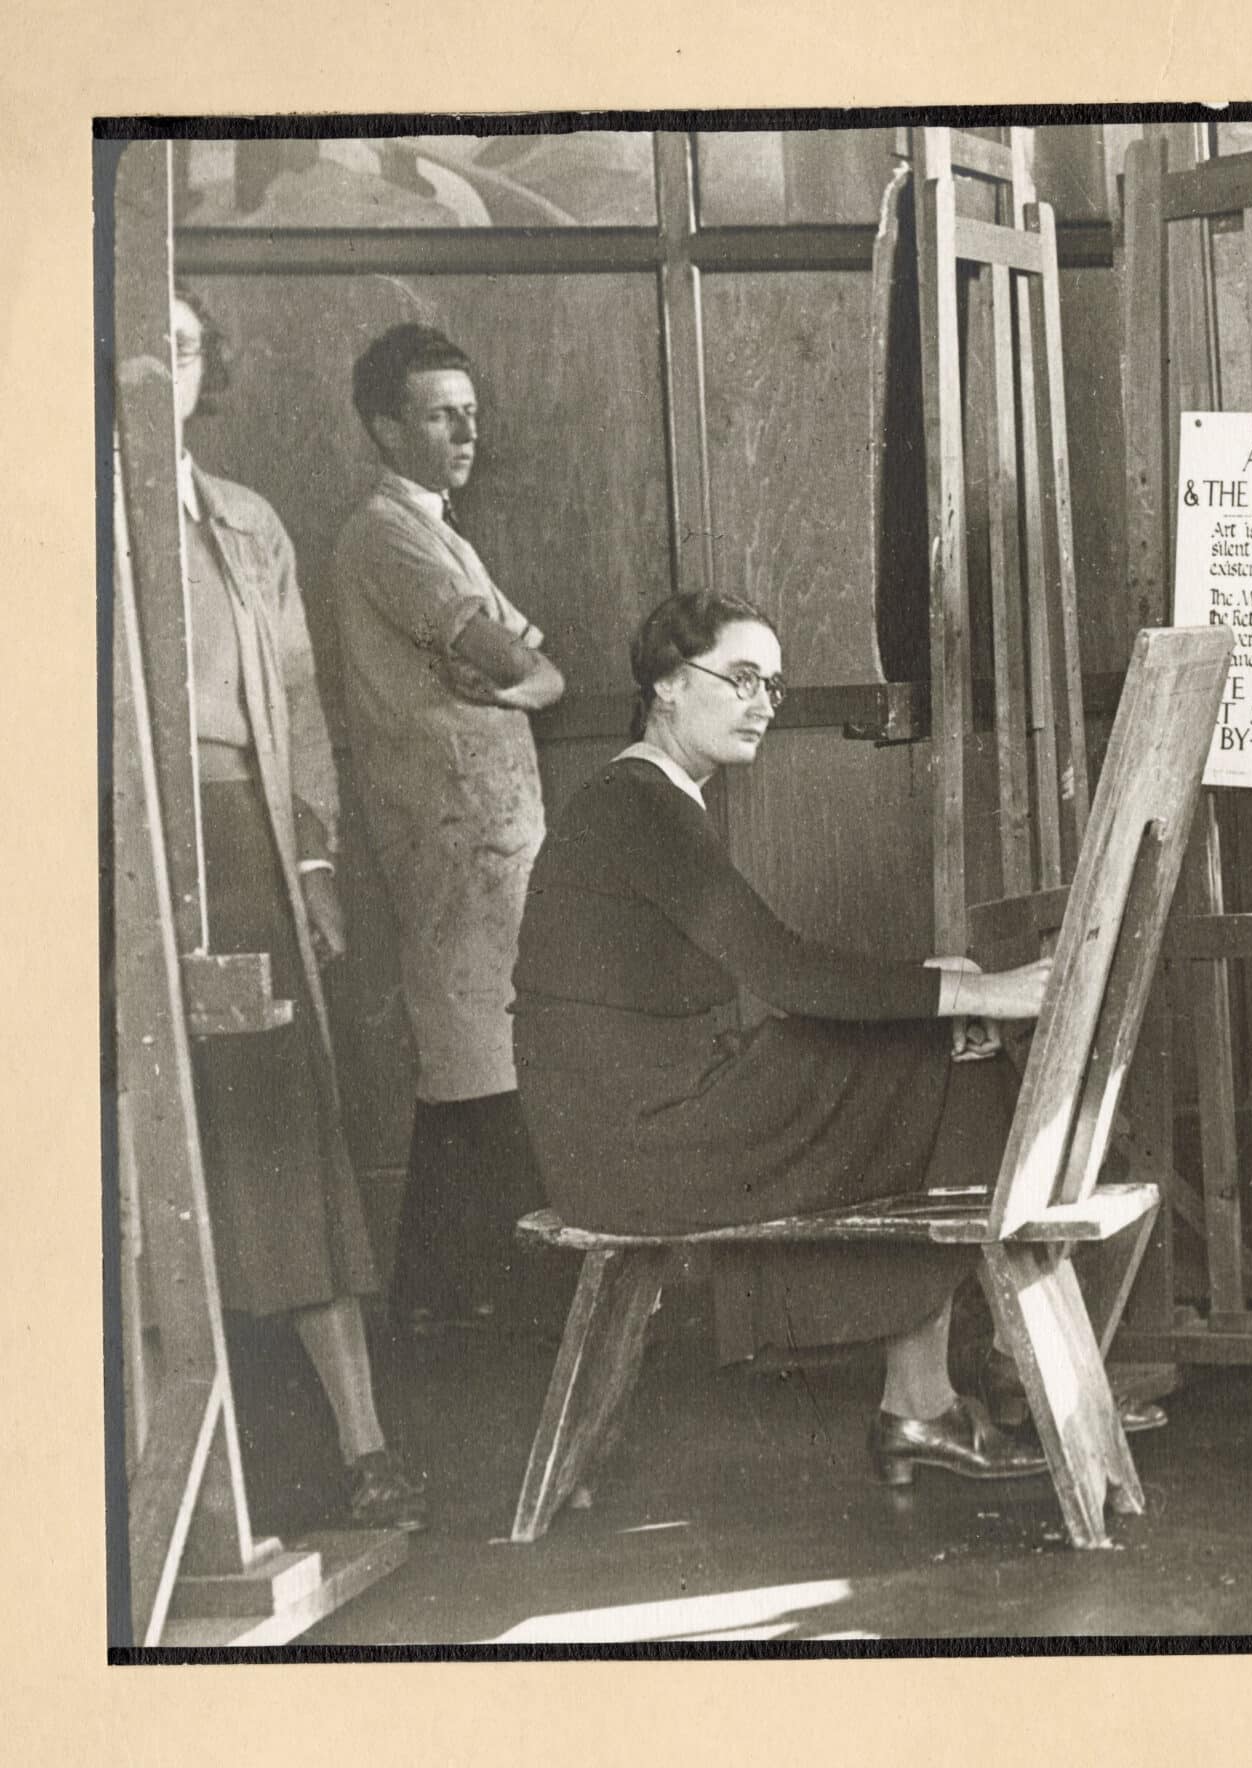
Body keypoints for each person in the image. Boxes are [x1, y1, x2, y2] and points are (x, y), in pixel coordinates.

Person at [510, 593, 1063, 1482]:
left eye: (772, 683)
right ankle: (961, 1385)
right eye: (740, 678)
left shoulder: (649, 800)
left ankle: (954, 1387)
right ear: (664, 685)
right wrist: (980, 991)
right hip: (631, 1147)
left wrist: (953, 990)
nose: (764, 701)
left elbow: (787, 976)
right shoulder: (638, 805)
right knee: (950, 1043)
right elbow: (791, 974)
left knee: (947, 1039)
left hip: (635, 1127)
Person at [167, 286, 424, 1529]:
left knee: (290, 1137)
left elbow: (303, 704)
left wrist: (312, 865)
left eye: (185, 346)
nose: (163, 366)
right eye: (142, 345)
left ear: (209, 368)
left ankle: (365, 1448)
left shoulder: (246, 523)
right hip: (110, 854)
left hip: (244, 845)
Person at [331, 323, 568, 1334]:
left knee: (477, 1055)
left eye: (468, 409)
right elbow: (517, 663)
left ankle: (439, 1296)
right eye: (439, 412)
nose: (466, 428)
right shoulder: (386, 533)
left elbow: (543, 675)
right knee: (479, 1057)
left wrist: (524, 682)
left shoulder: (441, 527)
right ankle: (493, 1297)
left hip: (484, 826)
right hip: (450, 833)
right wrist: (523, 679)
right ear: (386, 428)